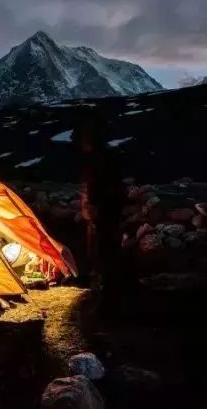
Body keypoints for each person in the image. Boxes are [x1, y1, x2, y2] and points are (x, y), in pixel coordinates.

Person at [74, 110, 124, 316]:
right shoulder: (105, 159)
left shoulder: (98, 161)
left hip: (102, 215)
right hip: (104, 214)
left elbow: (99, 187)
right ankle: (105, 294)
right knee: (103, 252)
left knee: (101, 253)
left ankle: (105, 300)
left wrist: (94, 208)